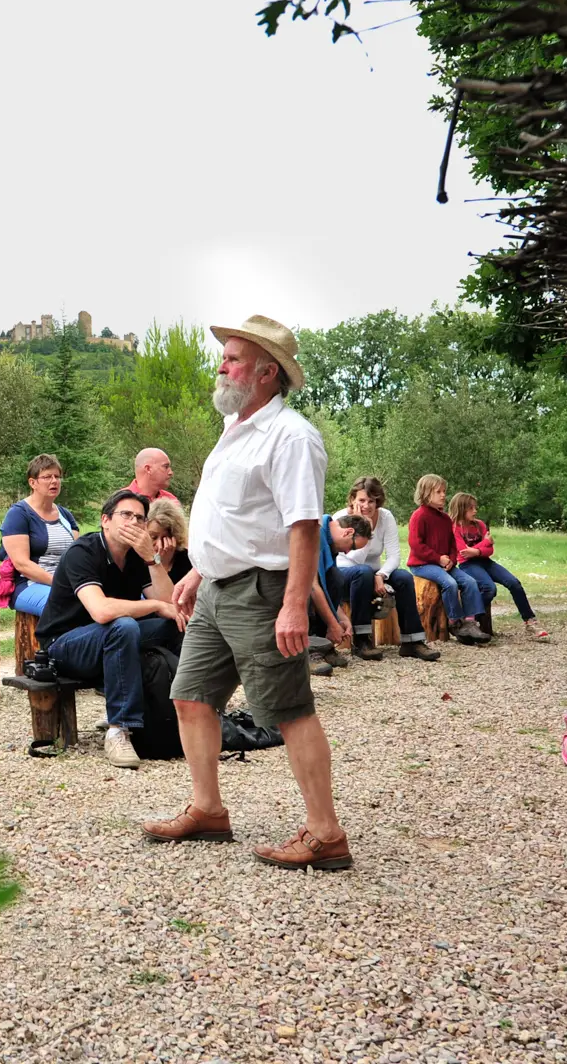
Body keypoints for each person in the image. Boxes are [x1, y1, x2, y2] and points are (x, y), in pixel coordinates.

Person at [142, 314, 352, 871]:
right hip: (216, 590)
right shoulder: (234, 429)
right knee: (190, 696)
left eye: (232, 358)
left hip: (263, 593)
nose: (221, 365)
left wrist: (292, 604)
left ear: (265, 371)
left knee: (288, 711)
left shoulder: (291, 436)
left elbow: (302, 527)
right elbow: (232, 521)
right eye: (226, 356)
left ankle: (326, 833)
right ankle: (208, 809)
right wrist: (196, 572)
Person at [34, 489, 180, 770]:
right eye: (125, 515)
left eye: (140, 518)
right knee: (122, 626)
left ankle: (184, 713)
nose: (133, 523)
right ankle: (119, 730)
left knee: (174, 625)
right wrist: (153, 607)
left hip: (113, 639)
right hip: (64, 646)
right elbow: (101, 611)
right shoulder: (83, 552)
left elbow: (170, 604)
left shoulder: (138, 557)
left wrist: (152, 559)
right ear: (105, 521)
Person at [334, 476, 439, 661]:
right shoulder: (340, 519)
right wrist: (364, 524)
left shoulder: (385, 517)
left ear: (378, 501)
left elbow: (394, 556)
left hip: (372, 573)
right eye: (362, 500)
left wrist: (382, 574)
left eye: (372, 501)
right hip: (345, 573)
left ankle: (412, 641)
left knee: (404, 578)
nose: (367, 505)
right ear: (353, 500)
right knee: (364, 572)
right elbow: (355, 558)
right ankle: (361, 640)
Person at [448, 492, 550, 642]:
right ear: (461, 508)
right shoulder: (455, 528)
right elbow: (464, 553)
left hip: (485, 561)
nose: (475, 511)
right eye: (471, 508)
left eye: (476, 507)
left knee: (514, 583)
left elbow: (490, 550)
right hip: (468, 565)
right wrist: (485, 543)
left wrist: (476, 550)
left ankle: (530, 622)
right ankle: (469, 623)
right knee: (489, 588)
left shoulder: (480, 525)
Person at [406, 474, 490, 647]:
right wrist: (438, 559)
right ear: (426, 493)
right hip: (422, 564)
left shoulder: (445, 519)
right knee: (449, 584)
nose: (443, 495)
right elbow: (416, 544)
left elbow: (452, 544)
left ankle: (470, 622)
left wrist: (451, 560)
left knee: (470, 582)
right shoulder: (419, 516)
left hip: (445, 564)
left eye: (444, 491)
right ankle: (455, 622)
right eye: (438, 492)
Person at [0, 453, 80, 617]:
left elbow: (78, 555)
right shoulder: (19, 514)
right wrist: (60, 584)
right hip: (27, 585)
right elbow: (22, 564)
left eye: (57, 476)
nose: (54, 481)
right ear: (32, 482)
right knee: (64, 607)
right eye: (47, 477)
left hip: (66, 584)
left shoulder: (65, 515)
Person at [304, 512, 374, 676]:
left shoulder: (329, 540)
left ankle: (322, 645)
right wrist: (333, 625)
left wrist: (341, 619)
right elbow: (313, 586)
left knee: (336, 578)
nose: (349, 552)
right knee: (305, 591)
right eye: (352, 546)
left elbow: (327, 587)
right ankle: (308, 650)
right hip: (281, 584)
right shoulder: (317, 532)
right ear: (348, 532)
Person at [145, 498, 194, 583]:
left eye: (165, 538)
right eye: (153, 537)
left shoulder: (187, 561)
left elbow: (171, 594)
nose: (159, 545)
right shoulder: (134, 559)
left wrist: (164, 564)